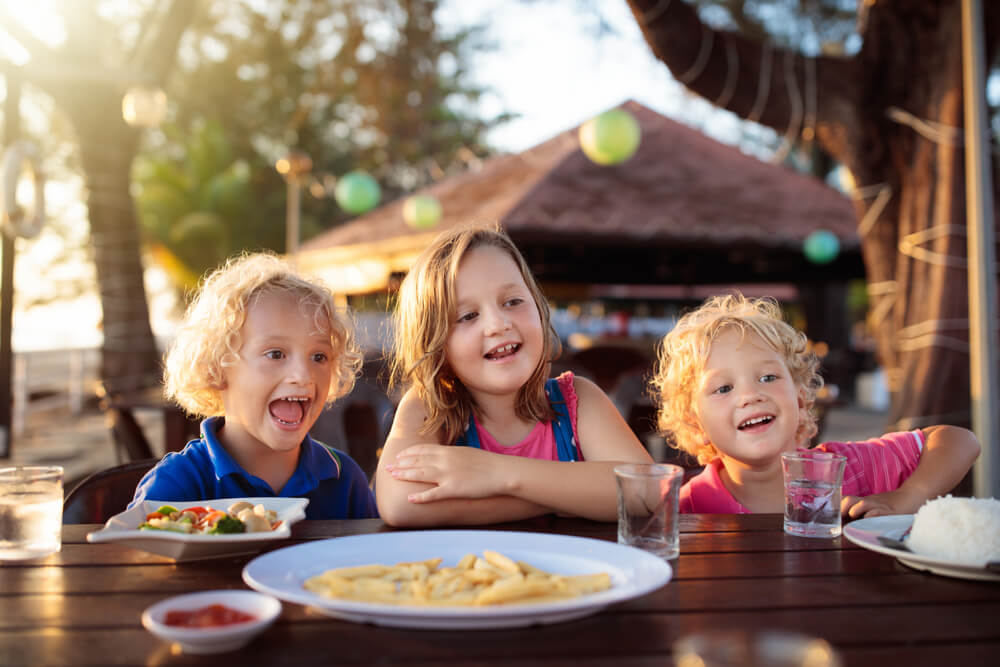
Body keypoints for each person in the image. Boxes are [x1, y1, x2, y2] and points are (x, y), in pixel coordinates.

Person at [375, 225, 653, 526]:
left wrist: (497, 473)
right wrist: (558, 498)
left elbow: (646, 491)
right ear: (435, 343)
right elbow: (399, 503)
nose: (498, 324)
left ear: (539, 307)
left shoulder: (577, 400)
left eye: (512, 301)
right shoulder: (430, 408)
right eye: (468, 316)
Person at [649, 293, 980, 516]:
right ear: (695, 423)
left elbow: (959, 440)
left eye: (767, 378)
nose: (750, 395)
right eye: (723, 388)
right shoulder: (687, 509)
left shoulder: (849, 469)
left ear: (801, 397)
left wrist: (906, 498)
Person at [130, 253, 378, 519]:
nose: (303, 375)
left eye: (319, 357)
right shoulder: (177, 484)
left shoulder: (345, 479)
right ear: (215, 368)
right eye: (276, 354)